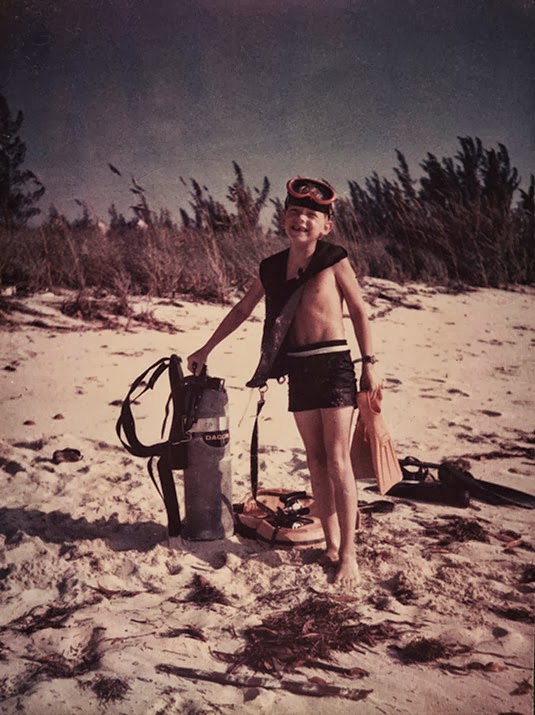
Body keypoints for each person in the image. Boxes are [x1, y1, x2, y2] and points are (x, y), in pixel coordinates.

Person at [187, 177, 380, 589]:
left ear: (326, 225)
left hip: (333, 365)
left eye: (311, 215)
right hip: (298, 369)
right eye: (294, 212)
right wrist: (206, 348)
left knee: (338, 460)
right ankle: (331, 544)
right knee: (315, 461)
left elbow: (360, 310)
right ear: (283, 218)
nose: (301, 220)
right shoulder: (272, 267)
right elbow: (242, 309)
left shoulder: (333, 259)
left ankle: (349, 554)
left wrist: (369, 364)